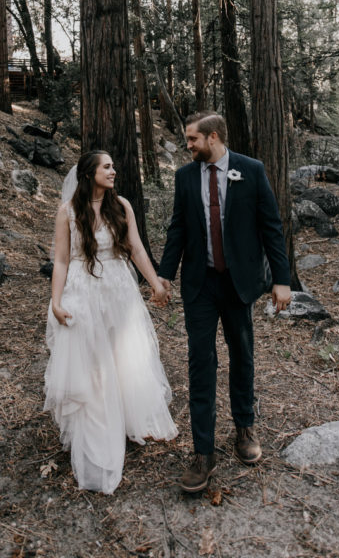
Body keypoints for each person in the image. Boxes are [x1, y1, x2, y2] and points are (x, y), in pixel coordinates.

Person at [157, 111, 291, 492]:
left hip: (239, 284)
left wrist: (282, 279)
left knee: (242, 356)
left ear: (212, 138)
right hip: (200, 284)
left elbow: (271, 226)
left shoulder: (251, 169)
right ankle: (203, 452)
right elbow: (178, 228)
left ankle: (245, 428)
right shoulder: (185, 177)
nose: (188, 145)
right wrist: (165, 274)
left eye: (192, 139)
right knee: (201, 362)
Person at [44, 150, 177, 494]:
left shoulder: (123, 207)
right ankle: (97, 435)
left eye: (114, 166)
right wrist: (55, 302)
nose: (114, 171)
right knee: (94, 364)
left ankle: (128, 419)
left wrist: (155, 284)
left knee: (124, 357)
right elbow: (60, 261)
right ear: (89, 174)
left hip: (119, 290)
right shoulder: (68, 212)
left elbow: (137, 249)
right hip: (83, 292)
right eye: (107, 167)